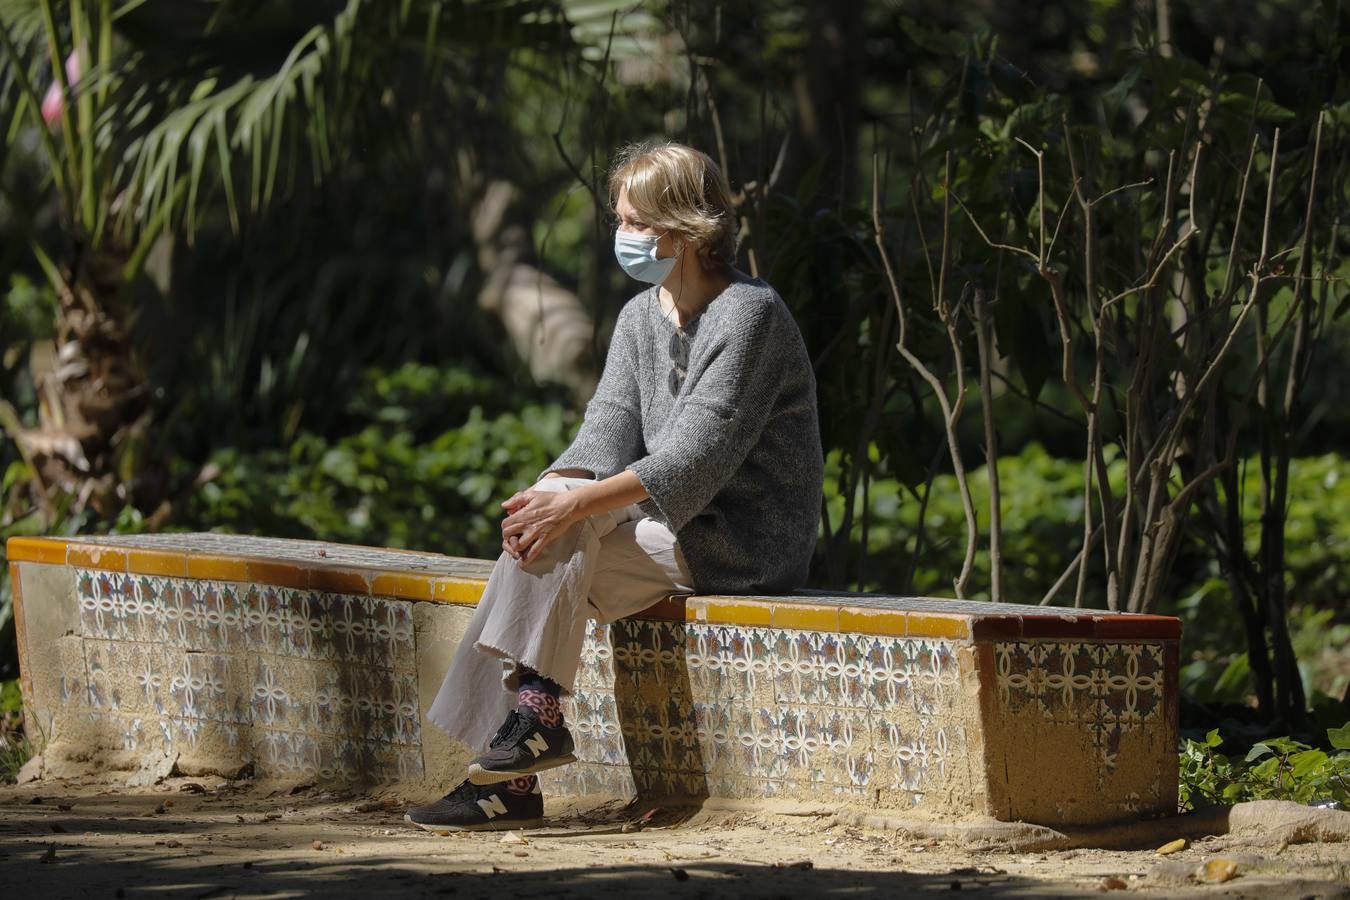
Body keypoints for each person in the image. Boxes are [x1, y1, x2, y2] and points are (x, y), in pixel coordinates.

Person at [405, 141, 823, 832]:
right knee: (544, 531)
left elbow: (696, 457)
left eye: (636, 222)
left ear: (685, 229)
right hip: (662, 532)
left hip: (742, 541)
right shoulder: (639, 317)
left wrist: (572, 506)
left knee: (567, 525)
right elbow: (604, 429)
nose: (622, 235)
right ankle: (521, 750)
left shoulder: (752, 315)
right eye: (619, 219)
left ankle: (521, 747)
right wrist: (551, 490)